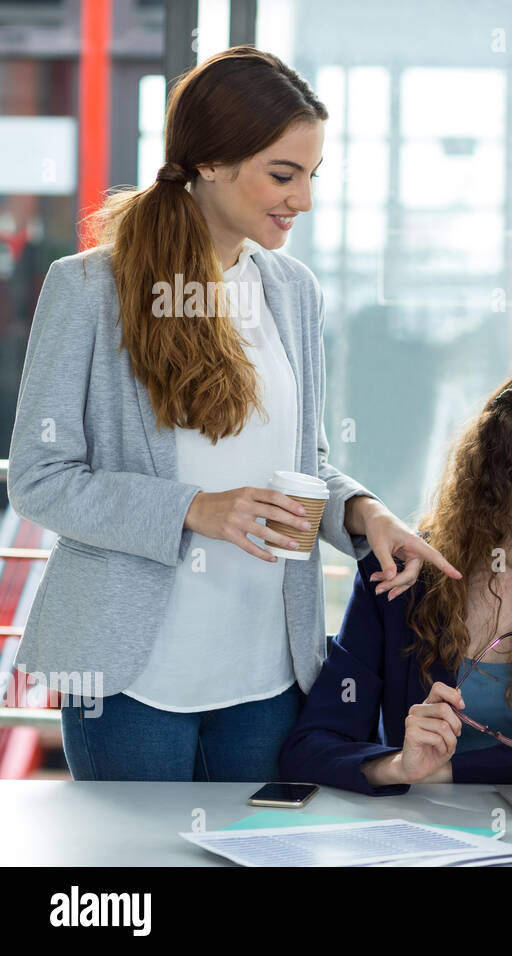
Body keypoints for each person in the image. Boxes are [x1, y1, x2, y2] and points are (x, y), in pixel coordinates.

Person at [7, 47, 457, 782]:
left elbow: (303, 461)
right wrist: (195, 508)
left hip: (268, 671)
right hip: (131, 677)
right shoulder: (88, 289)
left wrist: (362, 512)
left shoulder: (292, 290)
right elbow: (39, 479)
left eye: (313, 176)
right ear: (209, 162)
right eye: (284, 174)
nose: (303, 199)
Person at [279, 364, 512, 794]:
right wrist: (400, 766)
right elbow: (311, 748)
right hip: (421, 835)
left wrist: (450, 771)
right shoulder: (403, 572)